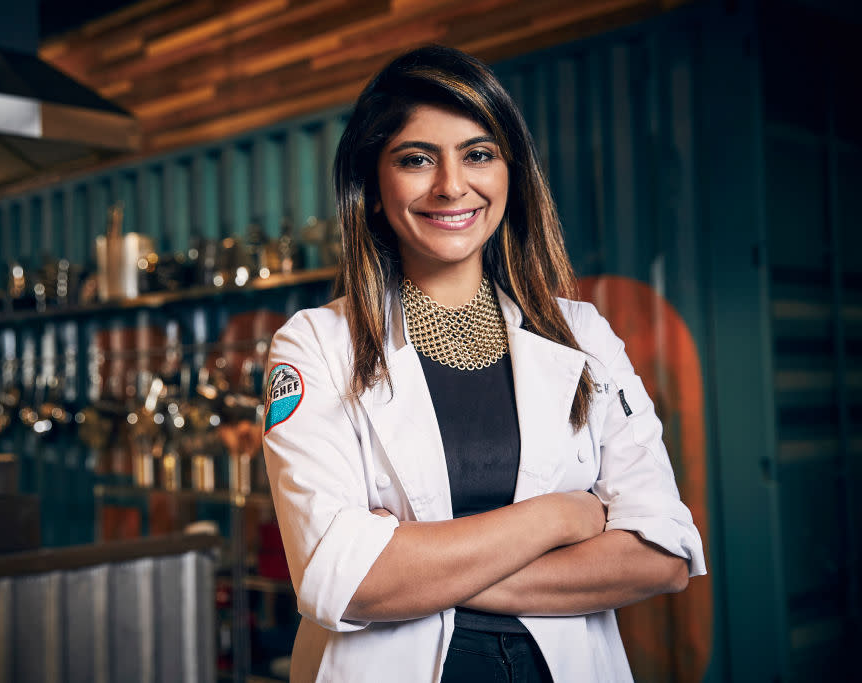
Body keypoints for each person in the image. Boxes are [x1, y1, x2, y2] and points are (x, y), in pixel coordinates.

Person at [261, 45, 706, 682]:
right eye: (416, 159)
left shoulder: (583, 335)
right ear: (374, 188)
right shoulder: (316, 345)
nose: (451, 185)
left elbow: (661, 555)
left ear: (510, 173)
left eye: (478, 154)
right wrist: (561, 516)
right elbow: (342, 581)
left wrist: (414, 567)